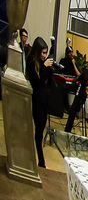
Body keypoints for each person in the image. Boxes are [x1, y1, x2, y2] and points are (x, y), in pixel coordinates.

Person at [26, 36, 53, 168]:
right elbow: (38, 82)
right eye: (43, 53)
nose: (44, 55)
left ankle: (40, 159)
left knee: (41, 129)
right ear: (37, 52)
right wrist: (43, 66)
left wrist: (49, 69)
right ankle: (41, 161)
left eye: (46, 53)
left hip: (44, 99)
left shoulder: (43, 64)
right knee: (38, 131)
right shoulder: (32, 62)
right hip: (37, 99)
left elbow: (48, 82)